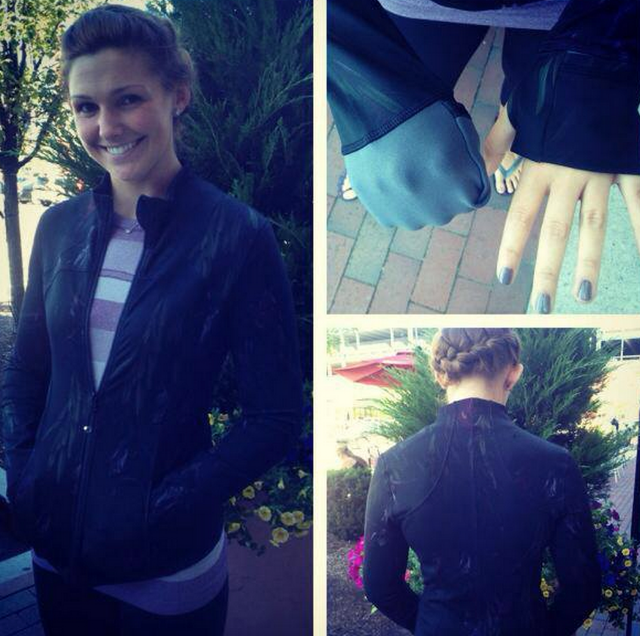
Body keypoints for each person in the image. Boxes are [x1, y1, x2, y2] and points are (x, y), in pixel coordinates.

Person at [0, 5, 303, 636]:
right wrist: (28, 474)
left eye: (128, 99)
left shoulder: (236, 237)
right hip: (56, 553)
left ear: (177, 95)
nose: (106, 126)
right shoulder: (58, 228)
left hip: (167, 569)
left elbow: (275, 417)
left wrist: (163, 503)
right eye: (86, 107)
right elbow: (27, 373)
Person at [328, 0, 640, 312]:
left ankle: (507, 139)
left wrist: (597, 54)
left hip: (558, 9)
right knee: (404, 94)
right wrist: (373, 112)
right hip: (419, 5)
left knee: (530, 93)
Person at [363, 328, 601, 635]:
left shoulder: (393, 465)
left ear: (440, 375)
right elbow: (583, 586)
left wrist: (432, 624)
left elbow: (380, 586)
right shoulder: (556, 464)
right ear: (513, 374)